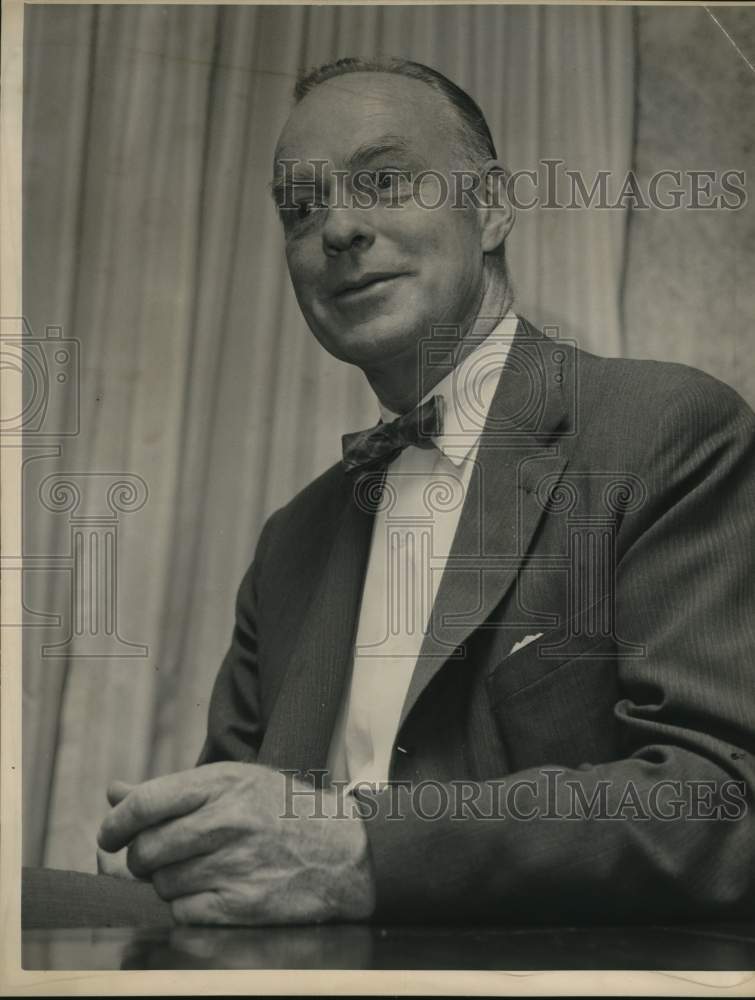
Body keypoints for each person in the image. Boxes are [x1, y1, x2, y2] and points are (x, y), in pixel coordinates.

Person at [96, 57, 755, 926]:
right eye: (300, 209)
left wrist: (365, 849)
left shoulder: (667, 428)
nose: (336, 228)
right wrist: (187, 837)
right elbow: (243, 846)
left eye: (383, 180)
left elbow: (718, 799)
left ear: (492, 206)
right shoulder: (290, 540)